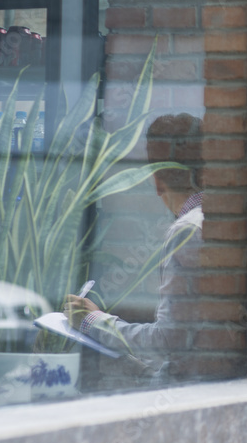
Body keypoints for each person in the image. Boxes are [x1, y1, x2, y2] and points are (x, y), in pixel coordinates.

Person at [63, 113, 203, 381]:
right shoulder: (223, 221)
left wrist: (93, 322)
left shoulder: (187, 231)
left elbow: (168, 341)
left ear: (157, 181)